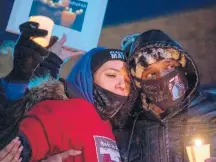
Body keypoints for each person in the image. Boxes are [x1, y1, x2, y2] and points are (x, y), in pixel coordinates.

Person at [124, 29, 216, 162]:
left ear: (184, 68)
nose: (163, 78)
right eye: (151, 74)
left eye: (169, 67)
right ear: (140, 83)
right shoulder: (131, 129)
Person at [0, 46, 136, 162]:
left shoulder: (111, 126)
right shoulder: (61, 111)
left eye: (128, 81)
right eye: (111, 75)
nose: (122, 85)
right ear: (88, 76)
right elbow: (10, 151)